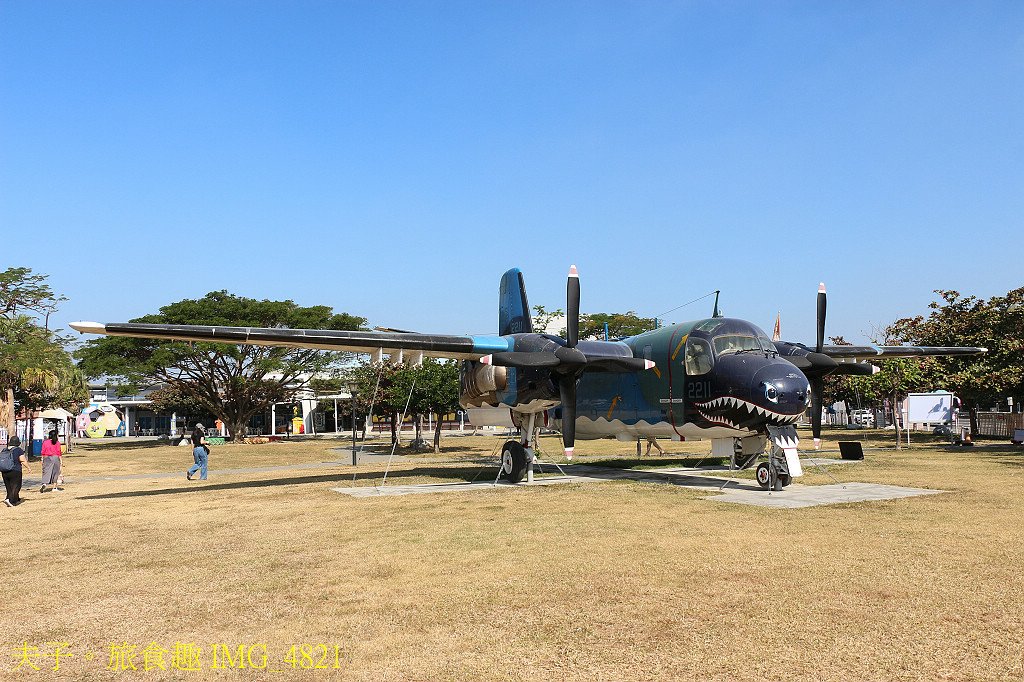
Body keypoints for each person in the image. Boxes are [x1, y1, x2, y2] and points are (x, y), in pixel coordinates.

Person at [2, 437, 31, 507]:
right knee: (16, 486)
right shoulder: (18, 450)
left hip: (5, 471)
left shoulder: (4, 450)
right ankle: (11, 501)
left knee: (8, 486)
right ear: (18, 443)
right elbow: (22, 460)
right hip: (15, 470)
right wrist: (28, 467)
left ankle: (11, 498)